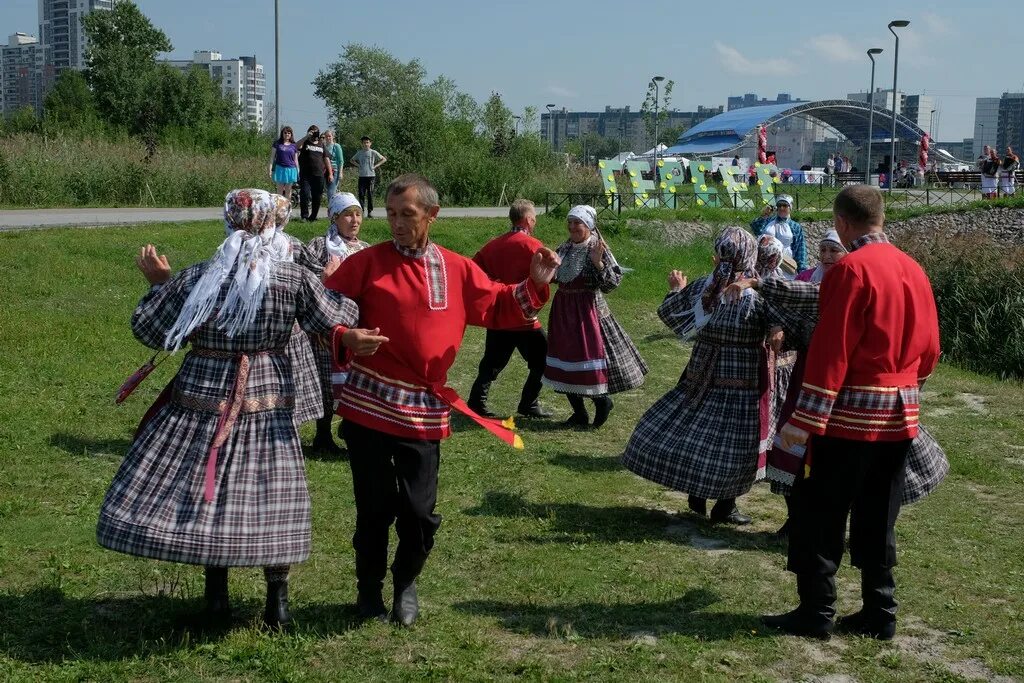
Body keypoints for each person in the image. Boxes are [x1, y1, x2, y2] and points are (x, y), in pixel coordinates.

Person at [96, 189, 359, 629]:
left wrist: (161, 286)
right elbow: (340, 317)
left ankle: (216, 598)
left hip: (200, 396)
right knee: (270, 491)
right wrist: (334, 281)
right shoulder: (292, 278)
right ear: (270, 223)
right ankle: (278, 604)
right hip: (268, 394)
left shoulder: (201, 276)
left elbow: (150, 328)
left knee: (210, 489)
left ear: (230, 222)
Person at [323, 174, 560, 626]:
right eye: (390, 214)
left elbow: (500, 306)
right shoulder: (367, 263)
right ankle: (368, 589)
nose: (395, 224)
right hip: (369, 403)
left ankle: (406, 582)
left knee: (418, 511)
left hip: (423, 411)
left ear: (432, 215)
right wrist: (343, 335)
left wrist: (534, 282)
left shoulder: (456, 268)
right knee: (374, 507)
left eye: (406, 215)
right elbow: (322, 310)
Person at [760, 184, 940, 641]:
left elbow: (831, 351)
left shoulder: (850, 270)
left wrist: (805, 420)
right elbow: (931, 349)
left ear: (842, 223)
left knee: (818, 509)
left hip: (848, 414)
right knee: (880, 512)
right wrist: (906, 388)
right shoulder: (913, 268)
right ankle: (881, 612)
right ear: (880, 217)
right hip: (902, 414)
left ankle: (817, 611)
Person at [621, 227, 799, 525]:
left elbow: (670, 314)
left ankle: (698, 494)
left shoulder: (706, 286)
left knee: (698, 430)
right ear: (749, 253)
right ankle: (725, 505)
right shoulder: (757, 292)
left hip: (703, 371)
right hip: (743, 380)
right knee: (736, 443)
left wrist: (677, 288)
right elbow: (779, 332)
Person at [542, 205, 647, 429]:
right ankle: (579, 412)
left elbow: (612, 283)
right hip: (563, 311)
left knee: (588, 361)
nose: (572, 227)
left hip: (588, 313)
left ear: (588, 225)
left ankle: (602, 402)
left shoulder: (597, 247)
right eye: (569, 222)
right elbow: (554, 277)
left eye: (577, 223)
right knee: (565, 360)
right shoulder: (564, 247)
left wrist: (599, 263)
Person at [467, 199, 553, 419]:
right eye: (534, 218)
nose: (535, 222)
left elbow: (474, 271)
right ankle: (529, 402)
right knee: (544, 358)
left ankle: (476, 402)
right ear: (527, 219)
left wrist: (494, 288)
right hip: (524, 316)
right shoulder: (533, 246)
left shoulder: (493, 244)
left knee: (491, 362)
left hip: (499, 313)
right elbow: (547, 274)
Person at [301, 192, 371, 453]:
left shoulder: (364, 248)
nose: (354, 220)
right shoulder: (320, 246)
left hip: (356, 324)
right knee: (325, 379)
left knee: (355, 377)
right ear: (334, 217)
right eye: (348, 215)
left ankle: (350, 426)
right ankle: (323, 434)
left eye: (358, 214)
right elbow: (304, 283)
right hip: (325, 327)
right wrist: (324, 278)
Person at [750, 194, 808, 273]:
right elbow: (755, 228)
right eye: (779, 205)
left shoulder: (795, 226)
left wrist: (802, 270)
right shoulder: (768, 220)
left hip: (786, 264)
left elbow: (800, 248)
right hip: (765, 262)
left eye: (785, 205)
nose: (781, 208)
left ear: (790, 207)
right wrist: (765, 215)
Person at [297, 125, 332, 222]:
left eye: (316, 131)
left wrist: (330, 173)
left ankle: (313, 217)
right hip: (306, 174)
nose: (314, 133)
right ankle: (304, 216)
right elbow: (295, 147)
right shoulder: (305, 142)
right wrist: (306, 136)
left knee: (317, 196)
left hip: (319, 174)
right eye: (312, 131)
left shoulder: (321, 144)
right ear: (309, 132)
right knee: (305, 194)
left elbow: (326, 158)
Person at [350, 136, 387, 218]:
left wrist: (375, 166)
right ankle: (361, 211)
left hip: (371, 176)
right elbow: (351, 160)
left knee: (370, 194)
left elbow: (384, 159)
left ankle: (370, 212)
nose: (366, 144)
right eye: (364, 143)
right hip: (362, 176)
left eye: (367, 142)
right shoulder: (359, 153)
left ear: (370, 143)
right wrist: (358, 165)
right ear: (362, 144)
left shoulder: (373, 152)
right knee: (361, 194)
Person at [269, 126, 298, 199]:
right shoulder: (277, 144)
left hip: (291, 169)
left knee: (288, 190)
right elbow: (272, 157)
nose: (287, 134)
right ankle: (279, 208)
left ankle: (288, 208)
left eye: (289, 133)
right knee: (279, 191)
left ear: (291, 134)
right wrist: (269, 169)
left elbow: (296, 160)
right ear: (282, 134)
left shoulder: (294, 145)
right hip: (280, 169)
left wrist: (298, 171)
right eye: (285, 133)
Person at [323, 130, 344, 200]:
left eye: (329, 136)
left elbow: (341, 160)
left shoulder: (336, 146)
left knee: (331, 192)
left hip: (334, 171)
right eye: (326, 136)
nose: (328, 138)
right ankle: (332, 208)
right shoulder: (324, 146)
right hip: (325, 171)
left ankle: (331, 208)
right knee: (327, 191)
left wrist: (340, 172)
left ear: (333, 137)